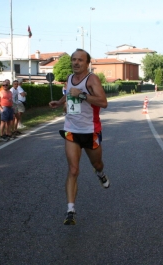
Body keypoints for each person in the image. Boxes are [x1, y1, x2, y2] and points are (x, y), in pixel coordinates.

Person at [48, 48, 109, 225]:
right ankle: (70, 211)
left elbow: (103, 102)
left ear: (87, 63)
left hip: (90, 131)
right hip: (71, 130)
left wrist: (82, 94)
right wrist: (59, 102)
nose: (76, 62)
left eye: (80, 60)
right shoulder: (69, 78)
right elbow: (69, 96)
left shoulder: (92, 79)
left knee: (97, 163)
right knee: (73, 169)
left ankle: (100, 173)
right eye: (74, 59)